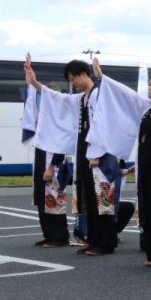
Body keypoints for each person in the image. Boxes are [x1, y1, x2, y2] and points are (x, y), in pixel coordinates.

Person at [88, 58, 151, 267]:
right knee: (149, 208)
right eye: (150, 84)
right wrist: (102, 77)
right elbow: (126, 95)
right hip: (145, 168)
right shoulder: (147, 109)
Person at [23, 56, 120, 256]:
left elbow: (104, 125)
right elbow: (58, 99)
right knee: (90, 200)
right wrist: (35, 83)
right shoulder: (81, 98)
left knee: (102, 201)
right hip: (85, 155)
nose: (72, 84)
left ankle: (105, 243)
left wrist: (98, 153)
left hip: (99, 158)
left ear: (83, 74)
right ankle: (94, 240)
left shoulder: (97, 94)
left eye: (73, 79)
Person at [20, 75, 71, 247]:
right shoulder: (43, 118)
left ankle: (60, 236)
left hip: (53, 165)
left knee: (54, 200)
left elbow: (61, 147)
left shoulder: (59, 119)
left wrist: (51, 166)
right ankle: (49, 235)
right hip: (41, 161)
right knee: (42, 199)